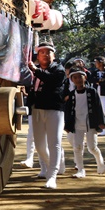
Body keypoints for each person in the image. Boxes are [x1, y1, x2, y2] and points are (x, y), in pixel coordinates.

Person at [27, 41, 66, 189]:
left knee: (54, 143)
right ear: (38, 55)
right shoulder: (33, 70)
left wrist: (36, 70)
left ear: (53, 55)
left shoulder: (59, 69)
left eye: (48, 52)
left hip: (54, 109)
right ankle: (53, 166)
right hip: (37, 109)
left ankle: (52, 176)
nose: (45, 55)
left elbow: (52, 81)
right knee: (39, 145)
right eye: (42, 52)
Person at [64, 66, 105, 178]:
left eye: (80, 77)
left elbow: (98, 107)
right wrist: (67, 125)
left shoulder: (92, 92)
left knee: (92, 147)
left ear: (85, 77)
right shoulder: (72, 94)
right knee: (77, 147)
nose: (78, 79)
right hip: (77, 124)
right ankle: (80, 169)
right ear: (72, 80)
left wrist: (101, 121)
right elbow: (68, 111)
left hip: (90, 123)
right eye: (75, 77)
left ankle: (100, 161)